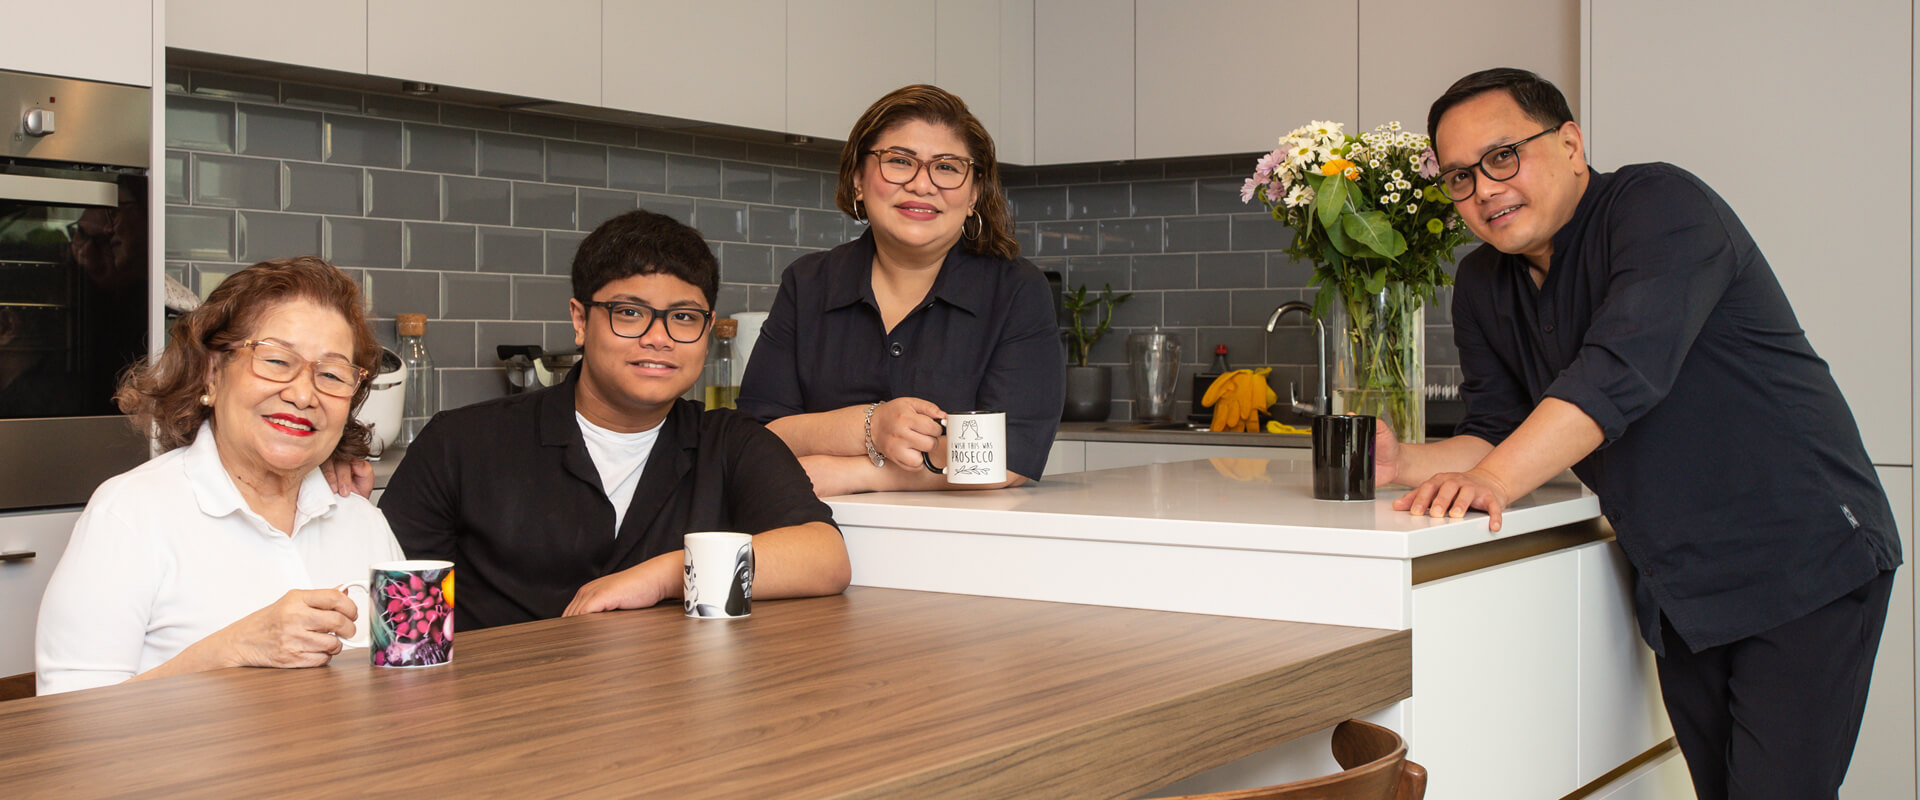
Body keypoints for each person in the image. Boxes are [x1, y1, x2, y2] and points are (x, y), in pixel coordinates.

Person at [1382, 68, 1901, 797]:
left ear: (1569, 143)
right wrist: (1401, 459)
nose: (1485, 190)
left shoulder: (1660, 204)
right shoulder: (1481, 285)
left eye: (1504, 157)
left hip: (1803, 554)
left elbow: (1622, 369)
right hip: (1683, 582)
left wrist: (1494, 479)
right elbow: (1495, 430)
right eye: (1460, 178)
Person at [377, 210, 850, 631]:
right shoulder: (460, 444)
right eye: (629, 313)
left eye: (684, 317)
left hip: (675, 711)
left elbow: (824, 559)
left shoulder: (729, 443)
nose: (659, 338)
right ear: (580, 321)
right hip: (498, 712)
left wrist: (664, 575)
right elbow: (393, 610)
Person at [36, 256, 401, 694]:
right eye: (276, 361)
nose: (304, 394)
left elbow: (405, 688)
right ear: (212, 371)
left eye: (330, 374)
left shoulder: (363, 524)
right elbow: (65, 721)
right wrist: (232, 649)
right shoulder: (130, 515)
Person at [736, 84, 1063, 497]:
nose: (922, 185)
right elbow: (756, 434)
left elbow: (1010, 455)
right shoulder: (808, 282)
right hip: (809, 529)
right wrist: (871, 426)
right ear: (857, 180)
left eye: (946, 167)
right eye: (899, 161)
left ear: (975, 191)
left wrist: (850, 473)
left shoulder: (1016, 291)